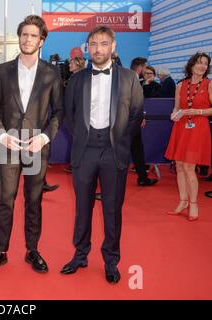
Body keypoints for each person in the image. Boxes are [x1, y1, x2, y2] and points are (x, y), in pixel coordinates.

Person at [61, 26, 144, 284]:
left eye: (104, 43)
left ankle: (111, 260)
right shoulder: (76, 80)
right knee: (82, 208)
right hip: (84, 150)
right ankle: (80, 254)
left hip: (114, 151)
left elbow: (136, 114)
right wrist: (82, 137)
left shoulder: (130, 78)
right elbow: (68, 113)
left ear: (113, 46)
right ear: (88, 47)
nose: (98, 48)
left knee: (112, 210)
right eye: (94, 44)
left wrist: (118, 139)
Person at [0, 15, 63, 274]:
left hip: (37, 149)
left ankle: (32, 250)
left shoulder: (51, 74)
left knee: (34, 200)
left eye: (33, 35)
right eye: (24, 34)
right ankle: (1, 250)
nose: (27, 39)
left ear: (42, 41)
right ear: (20, 37)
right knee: (5, 200)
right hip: (9, 147)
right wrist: (2, 135)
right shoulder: (4, 70)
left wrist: (44, 137)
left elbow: (59, 111)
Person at [165, 52, 212, 222]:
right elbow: (176, 108)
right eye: (199, 63)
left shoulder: (208, 84)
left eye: (205, 64)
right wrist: (174, 114)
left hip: (198, 127)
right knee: (179, 166)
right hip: (181, 127)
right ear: (191, 65)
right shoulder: (180, 85)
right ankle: (183, 201)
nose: (202, 66)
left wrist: (198, 111)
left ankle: (194, 203)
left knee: (190, 167)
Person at [130, 57, 158, 186]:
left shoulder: (132, 78)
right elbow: (134, 101)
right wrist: (140, 117)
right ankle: (142, 177)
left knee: (136, 149)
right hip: (130, 121)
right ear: (140, 67)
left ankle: (142, 177)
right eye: (145, 67)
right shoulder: (132, 79)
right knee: (135, 149)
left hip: (131, 120)